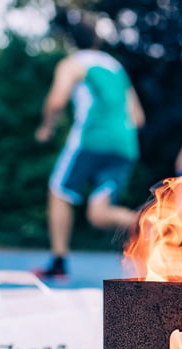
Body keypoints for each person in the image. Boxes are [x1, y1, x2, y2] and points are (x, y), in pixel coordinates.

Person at [34, 20, 145, 279]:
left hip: (92, 138)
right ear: (98, 41)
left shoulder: (73, 63)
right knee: (99, 213)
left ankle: (59, 262)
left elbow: (57, 100)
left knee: (59, 192)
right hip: (125, 144)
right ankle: (154, 224)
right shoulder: (116, 67)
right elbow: (138, 117)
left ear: (70, 41)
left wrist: (46, 127)